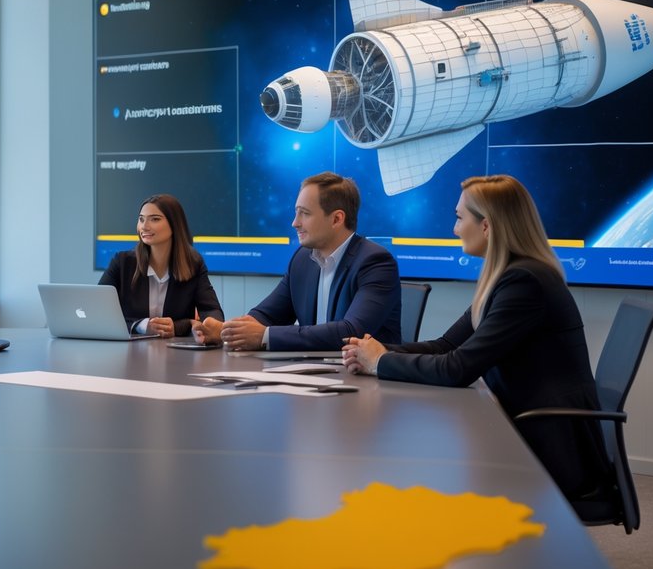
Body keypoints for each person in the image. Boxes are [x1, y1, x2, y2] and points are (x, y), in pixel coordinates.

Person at [342, 174, 611, 502]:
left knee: (420, 473)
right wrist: (374, 350)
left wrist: (380, 361)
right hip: (522, 431)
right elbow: (446, 346)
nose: (454, 229)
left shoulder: (525, 283)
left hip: (549, 449)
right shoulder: (510, 276)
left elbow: (458, 369)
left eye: (459, 218)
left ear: (486, 226)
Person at [195, 172, 400, 351]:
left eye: (305, 213)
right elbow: (267, 315)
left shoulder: (375, 262)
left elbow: (351, 332)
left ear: (337, 219)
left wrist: (265, 336)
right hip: (313, 373)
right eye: (296, 212)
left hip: (364, 379)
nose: (295, 223)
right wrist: (227, 331)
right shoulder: (302, 259)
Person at [98, 194, 223, 337]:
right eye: (141, 219)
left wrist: (210, 327)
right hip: (128, 349)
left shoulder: (193, 264)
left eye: (155, 219)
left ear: (174, 224)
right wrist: (141, 326)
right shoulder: (122, 262)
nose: (144, 226)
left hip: (175, 349)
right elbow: (98, 312)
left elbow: (211, 311)